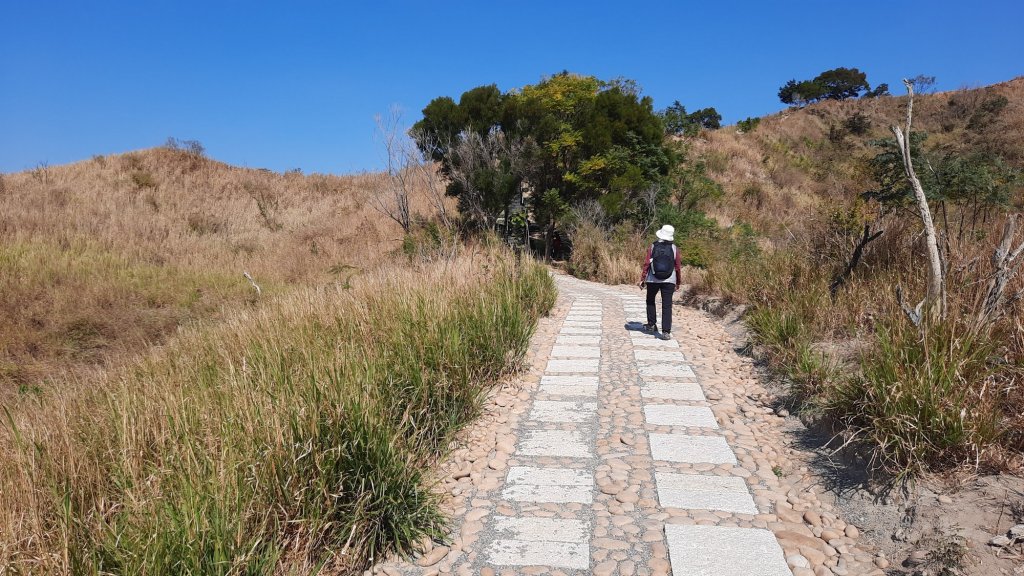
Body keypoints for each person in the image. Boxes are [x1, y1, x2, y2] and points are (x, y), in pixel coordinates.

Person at [638, 224, 682, 340]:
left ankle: (651, 324)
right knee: (667, 305)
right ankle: (666, 332)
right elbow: (677, 266)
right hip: (670, 279)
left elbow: (647, 263)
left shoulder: (653, 246)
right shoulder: (674, 248)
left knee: (650, 300)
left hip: (653, 278)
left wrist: (643, 278)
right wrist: (678, 281)